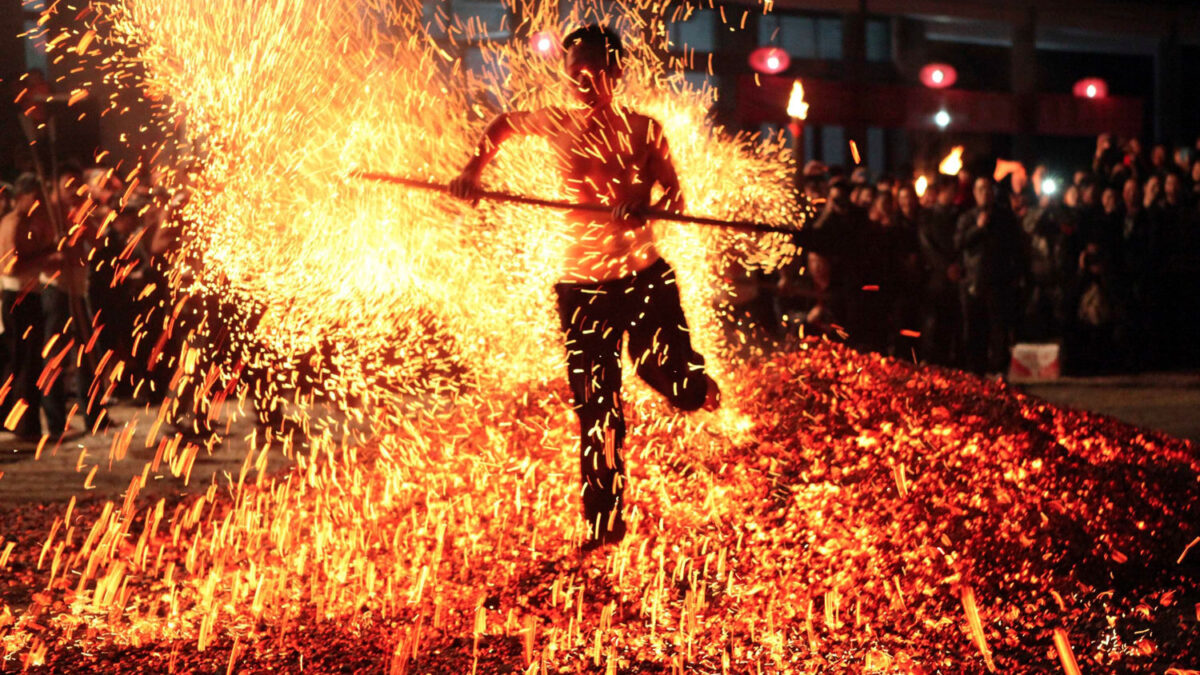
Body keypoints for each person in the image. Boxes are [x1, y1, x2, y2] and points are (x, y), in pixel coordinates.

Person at [448, 25, 719, 549]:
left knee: (670, 378)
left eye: (592, 71)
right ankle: (603, 523)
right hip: (582, 287)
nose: (581, 81)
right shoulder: (556, 122)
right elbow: (502, 125)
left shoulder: (644, 130)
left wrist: (647, 203)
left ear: (616, 72)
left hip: (643, 278)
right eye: (573, 73)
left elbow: (677, 197)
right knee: (597, 406)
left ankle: (693, 385)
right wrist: (472, 172)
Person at [0, 174, 57, 442]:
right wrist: (44, 254)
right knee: (23, 360)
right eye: (34, 197)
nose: (36, 203)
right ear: (22, 196)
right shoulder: (13, 222)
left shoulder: (25, 222)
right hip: (18, 296)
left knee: (28, 360)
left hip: (27, 294)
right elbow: (11, 263)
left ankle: (24, 422)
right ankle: (23, 423)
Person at [955, 177, 1022, 375]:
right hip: (974, 282)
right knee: (976, 330)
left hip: (999, 280)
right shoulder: (967, 218)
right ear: (975, 193)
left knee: (999, 329)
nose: (985, 193)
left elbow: (1015, 246)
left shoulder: (1005, 217)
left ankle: (1001, 371)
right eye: (980, 189)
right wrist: (978, 228)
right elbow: (959, 243)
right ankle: (977, 372)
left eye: (988, 189)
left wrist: (1017, 273)